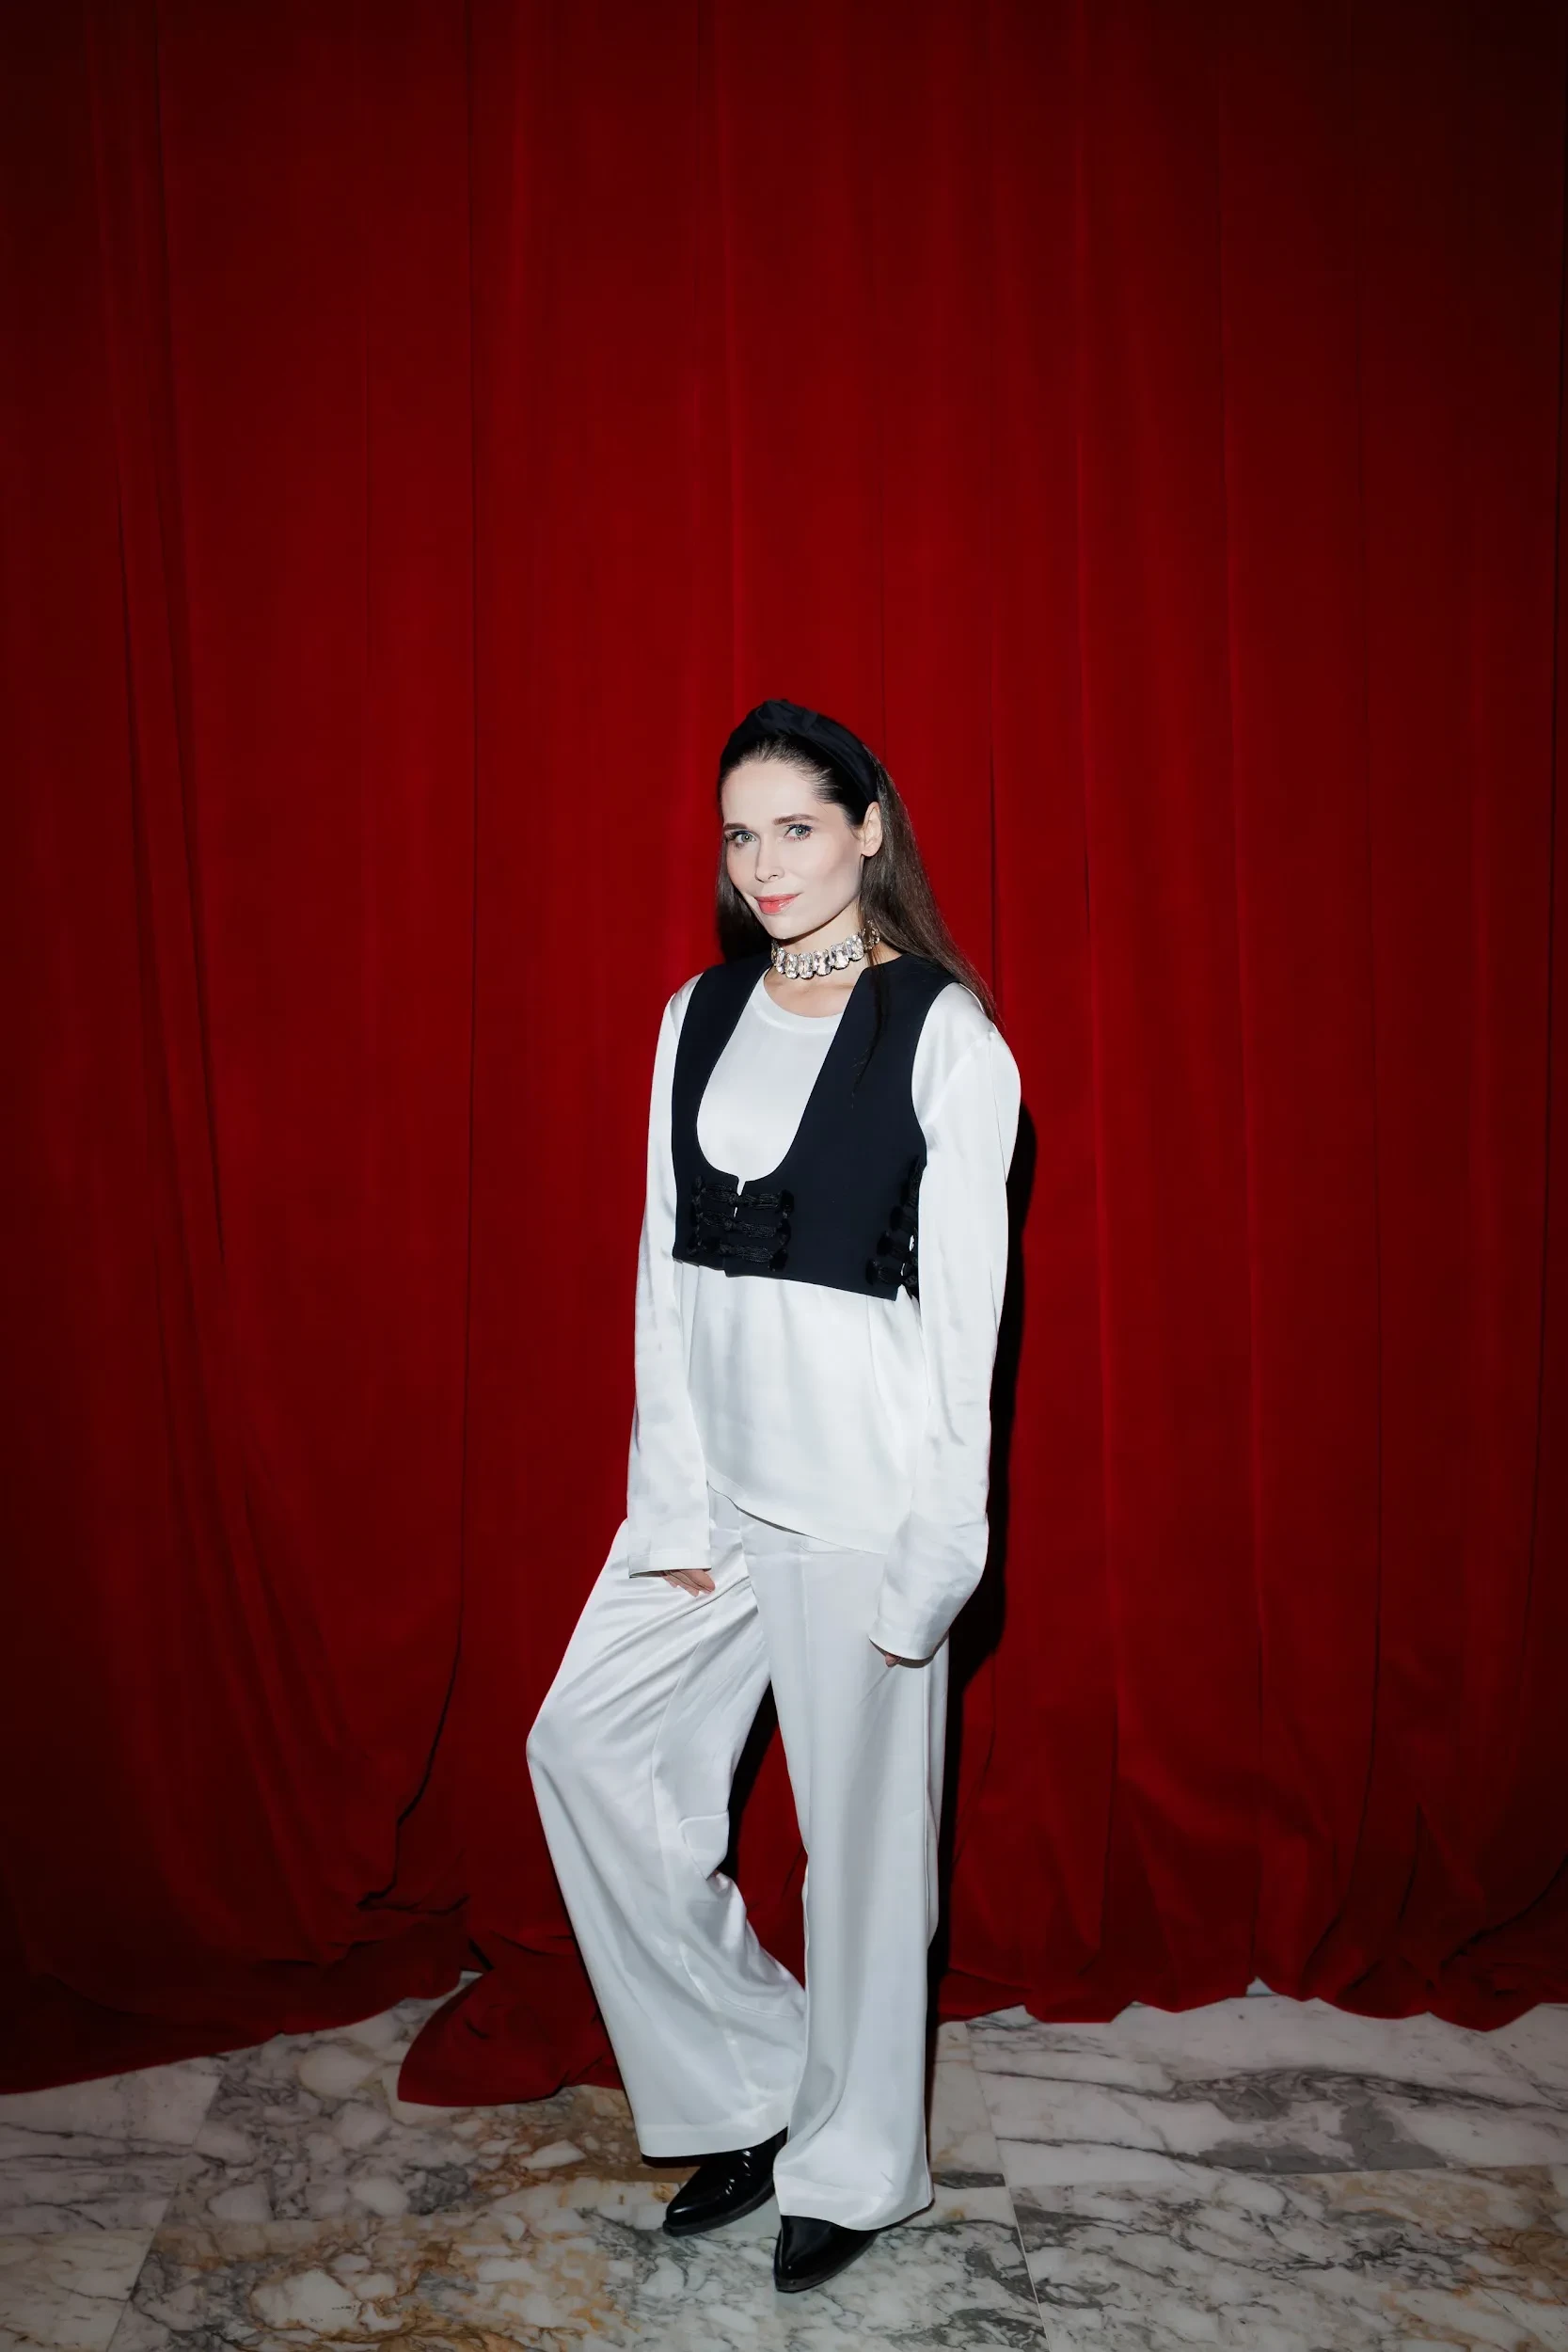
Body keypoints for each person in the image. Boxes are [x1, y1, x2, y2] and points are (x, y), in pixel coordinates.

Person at [526, 697, 1022, 2296]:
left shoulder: (946, 1037)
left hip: (865, 1508)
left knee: (863, 1862)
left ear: (867, 829)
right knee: (586, 1752)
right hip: (719, 1499)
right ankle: (753, 2080)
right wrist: (670, 1506)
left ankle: (858, 2165)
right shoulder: (698, 1012)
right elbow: (664, 1276)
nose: (764, 864)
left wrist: (937, 1557)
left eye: (795, 828)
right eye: (740, 836)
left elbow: (965, 1329)